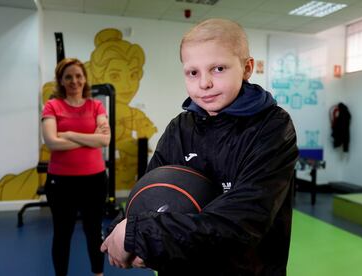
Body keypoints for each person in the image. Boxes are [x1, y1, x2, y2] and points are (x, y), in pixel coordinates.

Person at [101, 18, 298, 275]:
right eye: (193, 72)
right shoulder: (180, 127)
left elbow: (243, 220)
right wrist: (121, 227)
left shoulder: (273, 127)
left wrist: (137, 233)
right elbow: (150, 190)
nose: (204, 83)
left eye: (218, 69)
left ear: (247, 67)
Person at [42, 58, 111, 276]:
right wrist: (91, 138)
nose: (74, 81)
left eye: (79, 76)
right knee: (63, 233)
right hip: (61, 182)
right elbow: (51, 142)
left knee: (94, 232)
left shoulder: (96, 105)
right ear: (61, 81)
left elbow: (105, 141)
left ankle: (98, 274)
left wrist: (70, 135)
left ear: (85, 79)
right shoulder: (52, 106)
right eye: (68, 76)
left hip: (95, 180)